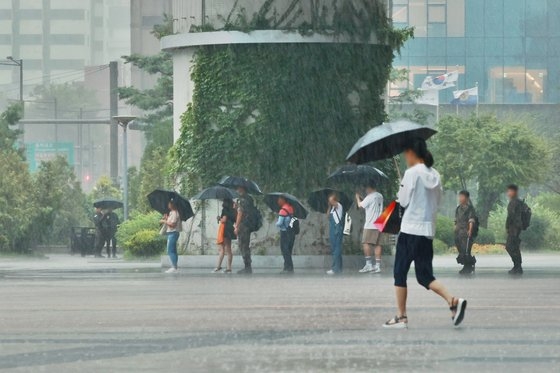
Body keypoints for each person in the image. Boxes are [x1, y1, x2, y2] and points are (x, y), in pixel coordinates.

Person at [384, 137, 467, 329]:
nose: (405, 157)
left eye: (406, 153)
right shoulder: (435, 174)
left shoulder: (411, 173)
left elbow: (403, 202)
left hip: (410, 230)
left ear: (412, 153)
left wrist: (401, 189)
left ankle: (401, 317)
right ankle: (452, 300)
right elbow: (437, 202)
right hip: (427, 232)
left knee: (399, 273)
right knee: (424, 276)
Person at [355, 182, 384, 273]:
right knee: (377, 244)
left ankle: (369, 265)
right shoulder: (380, 196)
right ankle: (378, 266)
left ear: (369, 188)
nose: (365, 190)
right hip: (379, 223)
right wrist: (363, 199)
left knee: (365, 243)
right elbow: (371, 205)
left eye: (366, 188)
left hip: (370, 224)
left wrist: (357, 198)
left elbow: (360, 205)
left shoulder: (370, 197)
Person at [454, 191, 477, 275]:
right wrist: (455, 228)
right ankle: (470, 263)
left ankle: (467, 267)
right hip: (458, 232)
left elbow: (471, 220)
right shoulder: (458, 208)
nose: (460, 198)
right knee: (461, 250)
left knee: (466, 250)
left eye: (462, 197)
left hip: (465, 232)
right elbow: (456, 220)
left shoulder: (470, 208)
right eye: (459, 197)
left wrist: (470, 230)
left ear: (467, 198)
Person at [213, 198, 236, 274]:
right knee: (228, 249)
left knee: (223, 249)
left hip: (225, 229)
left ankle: (220, 267)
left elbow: (224, 220)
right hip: (230, 228)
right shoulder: (233, 210)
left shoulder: (225, 210)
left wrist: (219, 218)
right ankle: (228, 267)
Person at [234, 186, 255, 274]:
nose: (236, 190)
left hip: (243, 225)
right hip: (249, 224)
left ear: (242, 188)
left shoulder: (241, 200)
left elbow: (240, 213)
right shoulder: (250, 198)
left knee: (242, 245)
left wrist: (236, 226)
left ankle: (247, 267)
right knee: (245, 245)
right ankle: (248, 266)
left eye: (238, 188)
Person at [505, 184, 524, 275]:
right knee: (514, 247)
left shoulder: (514, 202)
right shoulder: (518, 202)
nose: (508, 193)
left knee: (509, 246)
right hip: (517, 227)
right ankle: (517, 266)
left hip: (514, 228)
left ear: (514, 192)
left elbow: (511, 216)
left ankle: (517, 266)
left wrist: (508, 226)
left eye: (509, 191)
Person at [160, 200, 182, 274]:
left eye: (169, 203)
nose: (168, 205)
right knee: (173, 251)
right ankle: (175, 266)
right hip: (172, 233)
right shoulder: (171, 213)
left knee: (170, 250)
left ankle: (174, 267)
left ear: (172, 204)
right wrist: (166, 219)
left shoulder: (175, 213)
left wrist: (164, 221)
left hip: (173, 233)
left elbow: (172, 225)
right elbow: (170, 223)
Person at [276, 196, 296, 274]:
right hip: (291, 232)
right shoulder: (291, 208)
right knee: (288, 250)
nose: (278, 201)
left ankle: (289, 268)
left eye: (279, 199)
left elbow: (280, 223)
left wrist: (276, 224)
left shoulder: (283, 210)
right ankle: (287, 267)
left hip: (284, 232)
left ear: (283, 200)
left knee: (285, 250)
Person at [326, 193, 344, 275]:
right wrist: (329, 206)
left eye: (331, 200)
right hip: (332, 229)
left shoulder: (339, 205)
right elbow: (327, 216)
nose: (330, 201)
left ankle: (335, 268)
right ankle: (339, 267)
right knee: (334, 248)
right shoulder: (333, 208)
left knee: (337, 249)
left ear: (336, 200)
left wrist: (331, 201)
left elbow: (335, 203)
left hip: (337, 229)